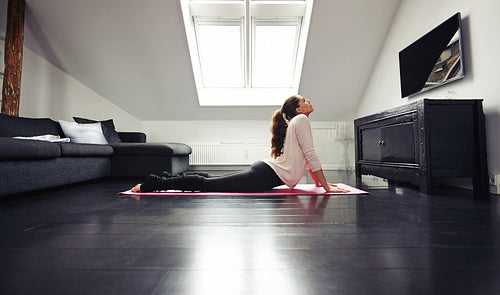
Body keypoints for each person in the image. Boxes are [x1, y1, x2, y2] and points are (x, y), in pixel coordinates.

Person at [131, 95, 349, 193]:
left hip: (266, 171)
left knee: (212, 180)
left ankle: (167, 179)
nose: (309, 101)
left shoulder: (299, 121)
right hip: (266, 175)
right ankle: (156, 183)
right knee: (210, 186)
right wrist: (326, 187)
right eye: (304, 100)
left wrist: (323, 185)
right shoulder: (301, 120)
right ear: (299, 109)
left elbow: (308, 158)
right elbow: (311, 156)